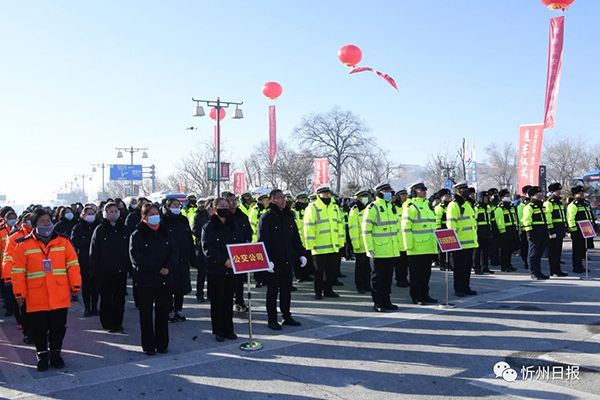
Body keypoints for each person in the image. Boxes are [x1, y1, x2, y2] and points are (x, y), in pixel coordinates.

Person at [11, 208, 81, 371]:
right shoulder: (23, 245)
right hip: (36, 295)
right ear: (34, 224)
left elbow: (73, 264)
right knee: (38, 328)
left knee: (58, 327)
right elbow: (18, 271)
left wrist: (75, 285)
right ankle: (42, 355)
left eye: (48, 221)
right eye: (42, 221)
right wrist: (19, 292)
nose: (46, 224)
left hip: (59, 294)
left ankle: (56, 354)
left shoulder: (63, 241)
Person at [129, 203, 179, 355]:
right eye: (151, 214)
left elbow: (174, 251)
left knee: (163, 312)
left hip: (164, 279)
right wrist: (157, 268)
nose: (155, 216)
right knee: (146, 314)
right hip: (146, 279)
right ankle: (149, 346)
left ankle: (162, 344)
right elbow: (136, 257)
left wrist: (168, 267)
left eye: (156, 213)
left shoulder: (165, 232)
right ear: (144, 217)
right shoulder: (137, 235)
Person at [258, 189, 306, 330]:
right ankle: (272, 319)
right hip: (274, 262)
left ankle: (286, 315)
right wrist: (267, 260)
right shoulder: (266, 218)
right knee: (272, 292)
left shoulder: (289, 216)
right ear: (272, 200)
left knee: (286, 290)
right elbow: (263, 241)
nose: (283, 200)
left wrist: (301, 254)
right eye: (279, 198)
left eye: (284, 197)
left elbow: (295, 238)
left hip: (287, 260)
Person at [201, 197, 245, 342]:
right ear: (214, 209)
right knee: (217, 301)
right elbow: (208, 249)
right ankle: (218, 330)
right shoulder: (208, 227)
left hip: (232, 268)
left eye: (227, 205)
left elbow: (239, 243)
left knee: (228, 300)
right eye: (221, 206)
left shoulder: (234, 225)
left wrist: (235, 260)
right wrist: (224, 261)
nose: (225, 208)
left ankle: (228, 329)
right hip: (216, 270)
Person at [90, 203, 131, 332]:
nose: (113, 213)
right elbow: (94, 251)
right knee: (106, 298)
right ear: (105, 214)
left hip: (121, 270)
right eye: (110, 211)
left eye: (115, 211)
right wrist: (94, 269)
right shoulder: (100, 229)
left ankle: (118, 322)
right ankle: (107, 323)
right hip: (105, 271)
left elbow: (129, 249)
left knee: (119, 299)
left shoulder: (124, 229)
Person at [363, 182, 402, 312]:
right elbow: (366, 230)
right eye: (386, 191)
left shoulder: (392, 207)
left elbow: (396, 229)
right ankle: (378, 302)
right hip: (378, 250)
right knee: (377, 278)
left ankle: (387, 300)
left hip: (391, 249)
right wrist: (370, 248)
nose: (389, 193)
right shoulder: (372, 208)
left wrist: (398, 246)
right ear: (379, 192)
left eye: (390, 191)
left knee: (387, 278)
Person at [304, 185, 345, 300]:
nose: (327, 196)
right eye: (324, 194)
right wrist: (310, 244)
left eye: (328, 194)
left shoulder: (334, 207)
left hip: (333, 245)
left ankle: (328, 290)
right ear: (318, 195)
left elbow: (339, 225)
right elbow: (309, 227)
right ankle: (318, 291)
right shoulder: (312, 207)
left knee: (331, 271)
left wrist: (341, 242)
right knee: (319, 271)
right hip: (319, 246)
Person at [402, 180, 438, 305]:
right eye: (421, 190)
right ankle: (416, 296)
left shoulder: (428, 206)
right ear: (414, 192)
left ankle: (425, 294)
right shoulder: (411, 206)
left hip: (428, 246)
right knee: (416, 275)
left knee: (426, 274)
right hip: (416, 247)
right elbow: (406, 228)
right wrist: (409, 247)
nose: (424, 191)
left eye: (424, 189)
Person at [160, 198, 195, 322]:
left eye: (177, 205)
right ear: (168, 207)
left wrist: (192, 255)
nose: (176, 207)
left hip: (183, 257)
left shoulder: (183, 220)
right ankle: (169, 311)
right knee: (170, 286)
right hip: (170, 258)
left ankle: (178, 310)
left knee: (181, 286)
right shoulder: (163, 220)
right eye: (173, 205)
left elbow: (189, 239)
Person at [447, 181, 478, 297]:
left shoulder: (468, 205)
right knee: (459, 268)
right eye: (464, 190)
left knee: (467, 267)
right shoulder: (454, 205)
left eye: (467, 189)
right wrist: (453, 241)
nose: (467, 192)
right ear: (459, 191)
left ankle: (466, 287)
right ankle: (459, 288)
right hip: (459, 243)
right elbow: (451, 224)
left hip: (470, 242)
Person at [224, 192, 252, 311]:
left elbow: (249, 231)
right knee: (228, 280)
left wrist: (246, 240)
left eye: (235, 200)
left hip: (240, 251)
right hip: (227, 251)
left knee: (240, 279)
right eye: (231, 200)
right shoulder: (224, 217)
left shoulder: (242, 216)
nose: (234, 202)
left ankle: (239, 301)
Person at [70, 206, 100, 317]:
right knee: (86, 285)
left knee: (96, 285)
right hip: (84, 259)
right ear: (83, 215)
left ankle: (95, 306)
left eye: (93, 213)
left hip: (97, 260)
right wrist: (90, 242)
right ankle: (87, 307)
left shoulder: (98, 226)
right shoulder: (78, 228)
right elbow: (76, 241)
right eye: (88, 213)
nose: (91, 215)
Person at [522, 186, 551, 280]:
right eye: (536, 194)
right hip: (534, 231)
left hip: (543, 231)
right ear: (531, 196)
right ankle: (533, 272)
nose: (539, 195)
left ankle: (539, 272)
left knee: (539, 254)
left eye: (540, 193)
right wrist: (529, 232)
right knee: (533, 253)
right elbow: (526, 220)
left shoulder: (542, 206)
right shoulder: (529, 206)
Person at [567, 185, 594, 273]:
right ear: (575, 195)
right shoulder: (573, 205)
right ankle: (576, 266)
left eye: (582, 192)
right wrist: (573, 229)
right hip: (577, 230)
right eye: (579, 193)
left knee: (583, 249)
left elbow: (589, 215)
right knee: (577, 250)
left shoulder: (586, 204)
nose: (582, 194)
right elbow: (570, 218)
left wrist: (592, 224)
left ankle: (581, 266)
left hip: (586, 229)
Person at [348, 189, 370, 294]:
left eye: (367, 196)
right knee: (360, 267)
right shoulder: (355, 210)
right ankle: (360, 285)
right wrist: (355, 244)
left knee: (368, 267)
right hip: (360, 243)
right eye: (364, 196)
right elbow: (353, 228)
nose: (366, 198)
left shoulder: (370, 208)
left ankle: (367, 284)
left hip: (369, 243)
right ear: (359, 198)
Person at [544, 183, 568, 277]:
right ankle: (553, 270)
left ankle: (558, 269)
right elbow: (548, 217)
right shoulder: (549, 202)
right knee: (553, 251)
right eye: (558, 191)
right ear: (552, 192)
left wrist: (565, 227)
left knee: (558, 251)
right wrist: (551, 230)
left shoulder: (559, 202)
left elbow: (562, 216)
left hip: (560, 229)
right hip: (554, 229)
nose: (559, 192)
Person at [192, 199, 212, 303]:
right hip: (201, 248)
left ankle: (210, 293)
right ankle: (199, 293)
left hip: (213, 248)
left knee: (211, 273)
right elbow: (195, 231)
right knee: (202, 273)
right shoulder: (199, 217)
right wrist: (206, 233)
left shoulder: (217, 217)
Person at [495, 189, 518, 272]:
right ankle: (504, 266)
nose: (508, 198)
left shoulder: (511, 207)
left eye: (509, 196)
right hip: (504, 232)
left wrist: (515, 229)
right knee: (504, 250)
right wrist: (502, 231)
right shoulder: (500, 208)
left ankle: (509, 264)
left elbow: (514, 218)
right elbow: (499, 221)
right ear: (502, 198)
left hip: (511, 230)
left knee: (509, 250)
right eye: (506, 196)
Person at [293, 192, 314, 283]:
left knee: (308, 258)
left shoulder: (308, 210)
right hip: (298, 239)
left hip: (307, 239)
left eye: (305, 200)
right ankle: (299, 276)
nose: (304, 201)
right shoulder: (294, 212)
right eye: (302, 200)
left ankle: (306, 274)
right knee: (298, 259)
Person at [473, 191, 494, 274]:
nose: (486, 199)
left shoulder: (488, 207)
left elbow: (489, 220)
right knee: (477, 251)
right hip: (479, 231)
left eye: (487, 198)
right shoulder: (477, 208)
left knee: (485, 251)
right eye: (484, 198)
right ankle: (476, 267)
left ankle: (485, 267)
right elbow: (474, 220)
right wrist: (476, 232)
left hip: (487, 231)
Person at [393, 189, 410, 287]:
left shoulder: (407, 207)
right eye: (403, 195)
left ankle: (404, 278)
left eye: (406, 195)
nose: (405, 197)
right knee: (399, 264)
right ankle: (400, 279)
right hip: (397, 240)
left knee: (405, 263)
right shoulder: (394, 208)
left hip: (405, 240)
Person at [434, 188, 453, 271]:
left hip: (449, 229)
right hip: (442, 229)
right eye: (446, 196)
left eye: (449, 195)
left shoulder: (451, 206)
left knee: (449, 249)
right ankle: (442, 264)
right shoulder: (439, 207)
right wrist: (439, 230)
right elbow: (437, 219)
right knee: (442, 249)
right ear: (441, 197)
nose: (448, 197)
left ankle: (448, 263)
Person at [517, 186, 532, 269]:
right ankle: (526, 261)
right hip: (524, 229)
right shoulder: (522, 205)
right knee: (525, 247)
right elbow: (521, 218)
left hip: (532, 228)